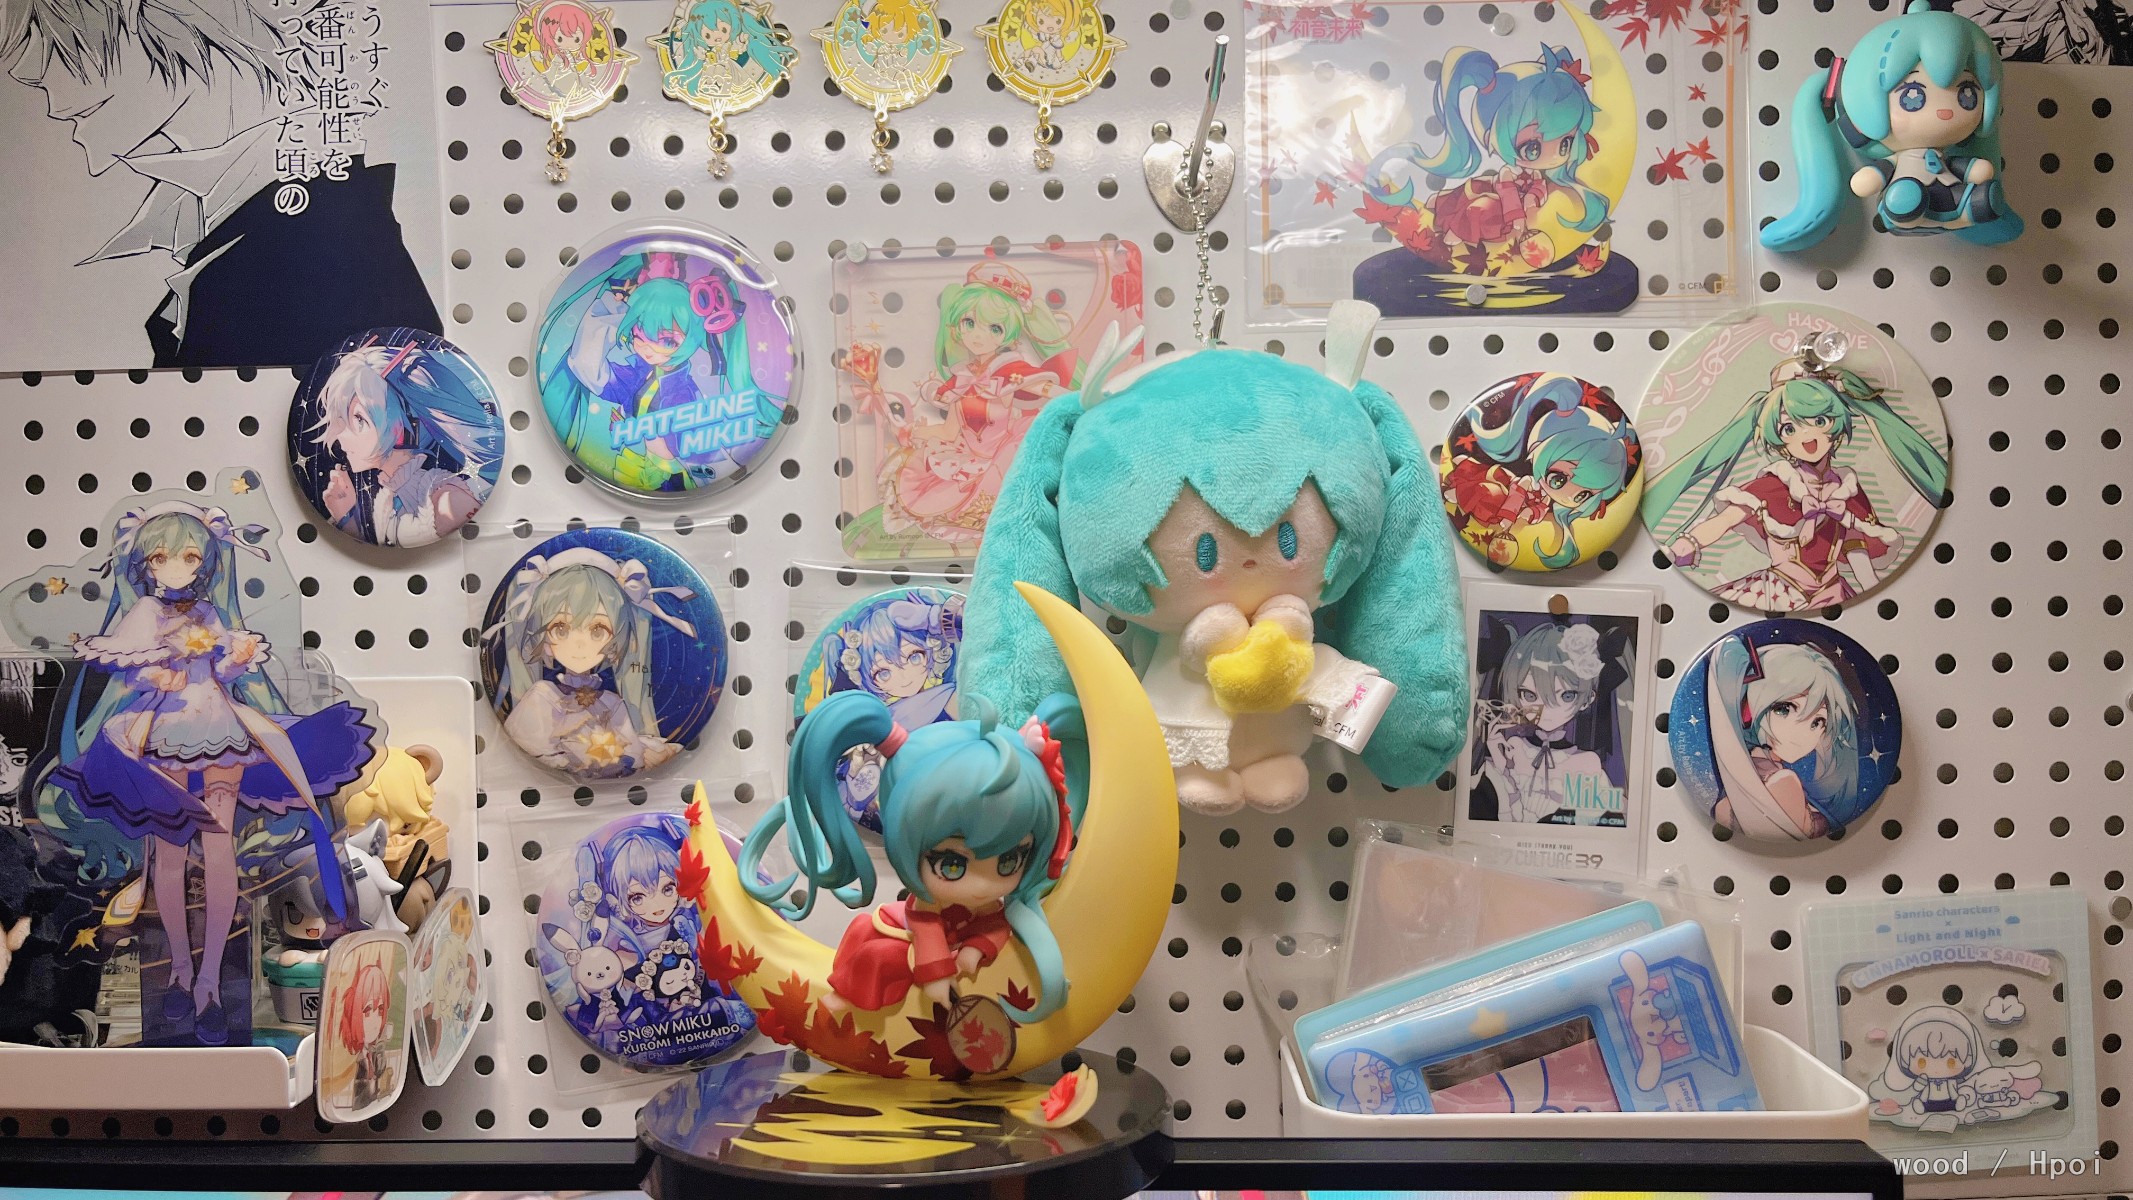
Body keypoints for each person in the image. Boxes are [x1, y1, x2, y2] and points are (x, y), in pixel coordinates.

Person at [0, 0, 440, 366]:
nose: (54, 105)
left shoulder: (334, 240)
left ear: (143, 16)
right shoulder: (230, 216)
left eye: (59, 52)